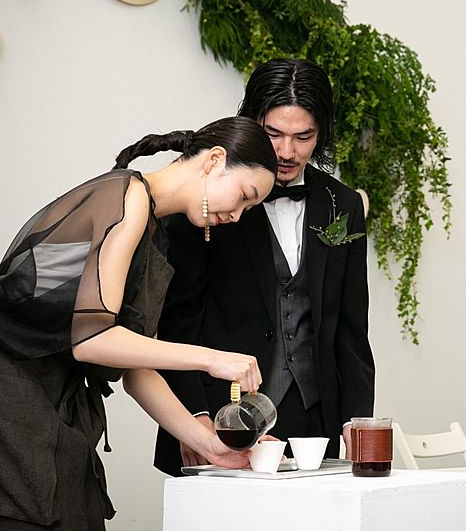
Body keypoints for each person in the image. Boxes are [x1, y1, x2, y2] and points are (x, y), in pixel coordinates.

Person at [0, 116, 277, 529]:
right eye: (244, 196)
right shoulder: (126, 196)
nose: (238, 215)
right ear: (213, 160)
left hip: (50, 400)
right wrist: (212, 359)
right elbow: (91, 339)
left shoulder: (153, 232)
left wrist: (211, 446)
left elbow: (137, 371)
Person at [154, 59, 375, 476]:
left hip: (314, 421)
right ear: (252, 121)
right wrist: (193, 417)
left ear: (322, 133)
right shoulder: (208, 196)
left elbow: (351, 328)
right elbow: (178, 317)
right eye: (274, 134)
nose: (287, 152)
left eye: (303, 137)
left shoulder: (341, 205)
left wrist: (356, 418)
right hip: (219, 414)